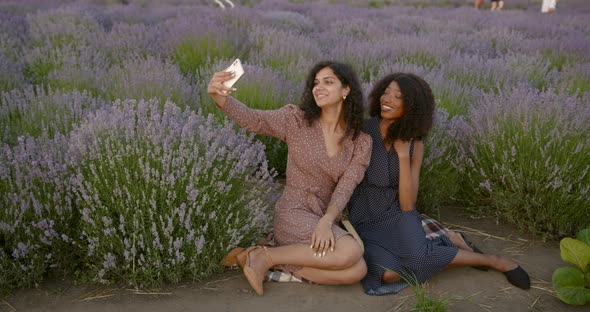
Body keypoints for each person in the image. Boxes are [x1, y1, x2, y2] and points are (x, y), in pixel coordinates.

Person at [347, 73, 531, 295]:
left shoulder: (416, 143)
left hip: (397, 213)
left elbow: (407, 205)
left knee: (418, 257)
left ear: (413, 106)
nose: (387, 99)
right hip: (365, 216)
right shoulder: (364, 131)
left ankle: (494, 260)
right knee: (385, 274)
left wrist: (403, 156)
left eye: (398, 96)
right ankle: (447, 243)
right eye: (385, 93)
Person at [207, 61, 372, 295]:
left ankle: (261, 256)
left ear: (346, 90)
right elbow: (254, 119)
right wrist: (219, 97)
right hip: (292, 212)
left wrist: (327, 220)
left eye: (328, 82)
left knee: (356, 271)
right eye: (316, 83)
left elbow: (346, 187)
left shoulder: (360, 142)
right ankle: (264, 257)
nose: (319, 87)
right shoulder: (296, 121)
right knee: (351, 252)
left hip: (323, 218)